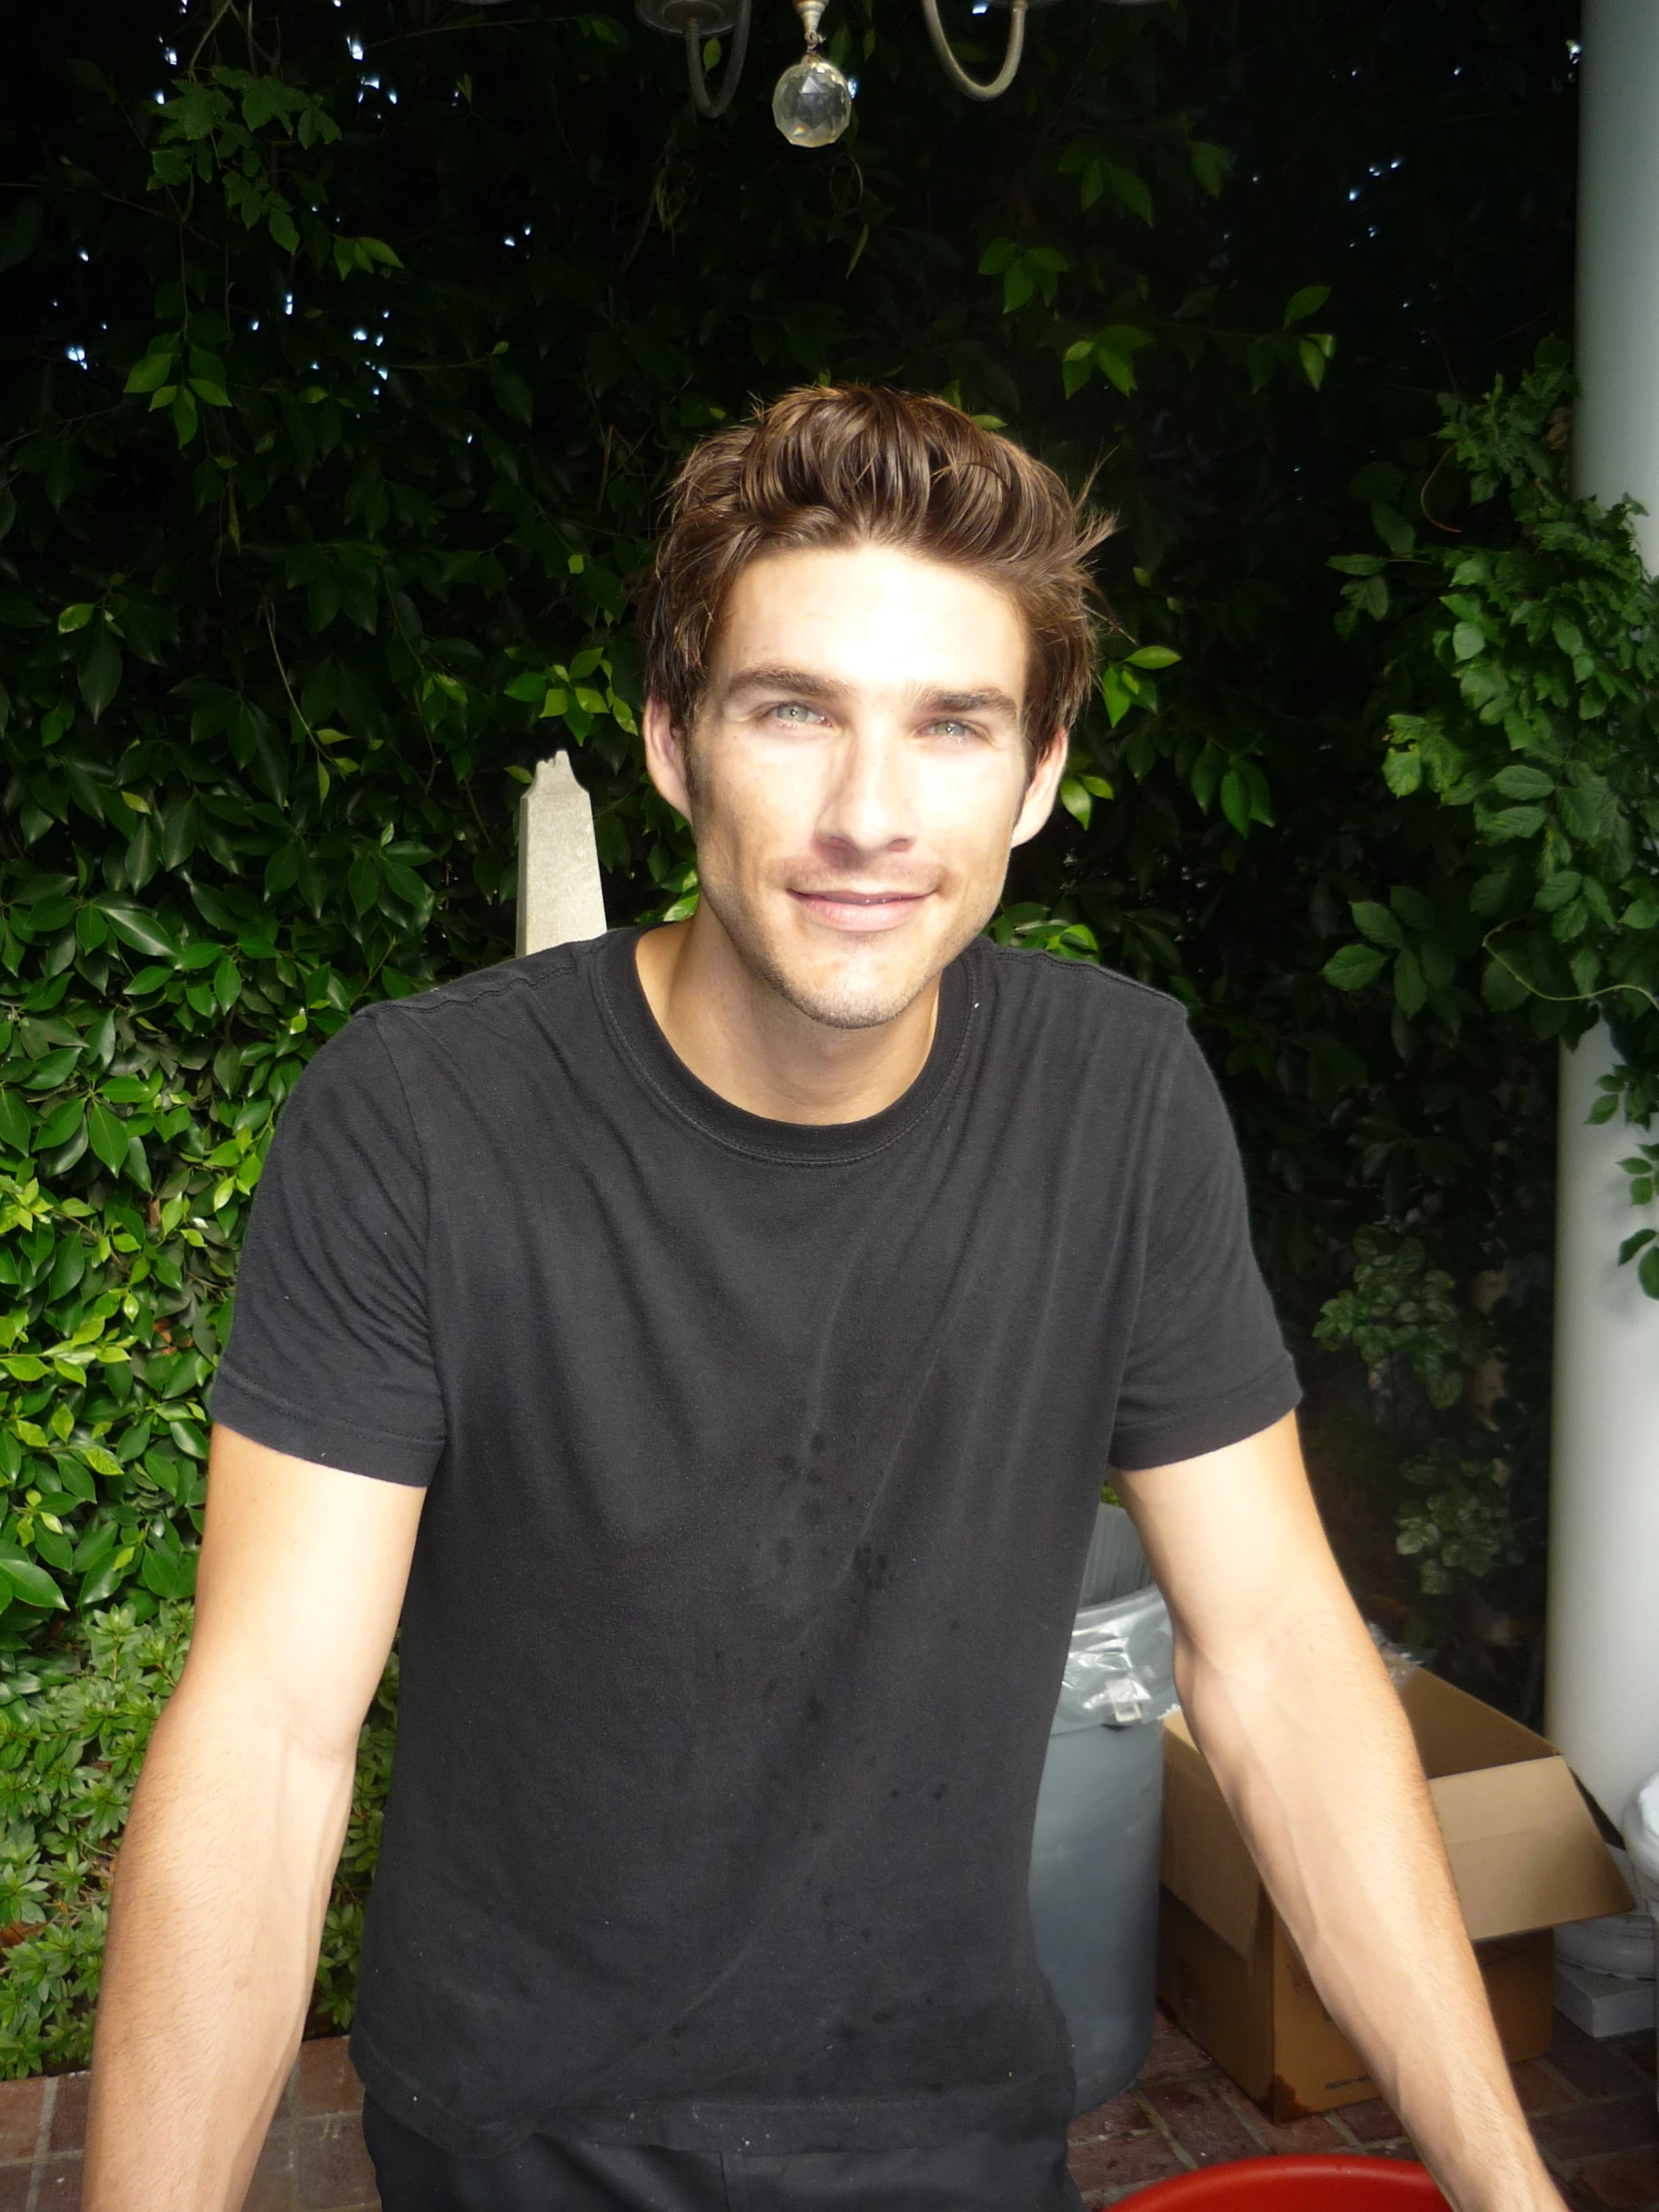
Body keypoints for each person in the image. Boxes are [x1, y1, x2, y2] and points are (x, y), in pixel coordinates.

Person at [83, 386, 1566, 2212]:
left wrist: (1512, 2192)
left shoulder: (1117, 1098)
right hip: (521, 2149)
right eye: (794, 712)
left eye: (950, 726)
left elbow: (1272, 1653)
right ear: (673, 745)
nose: (869, 814)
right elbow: (270, 1729)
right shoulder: (417, 1120)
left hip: (954, 2138)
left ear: (1035, 776)